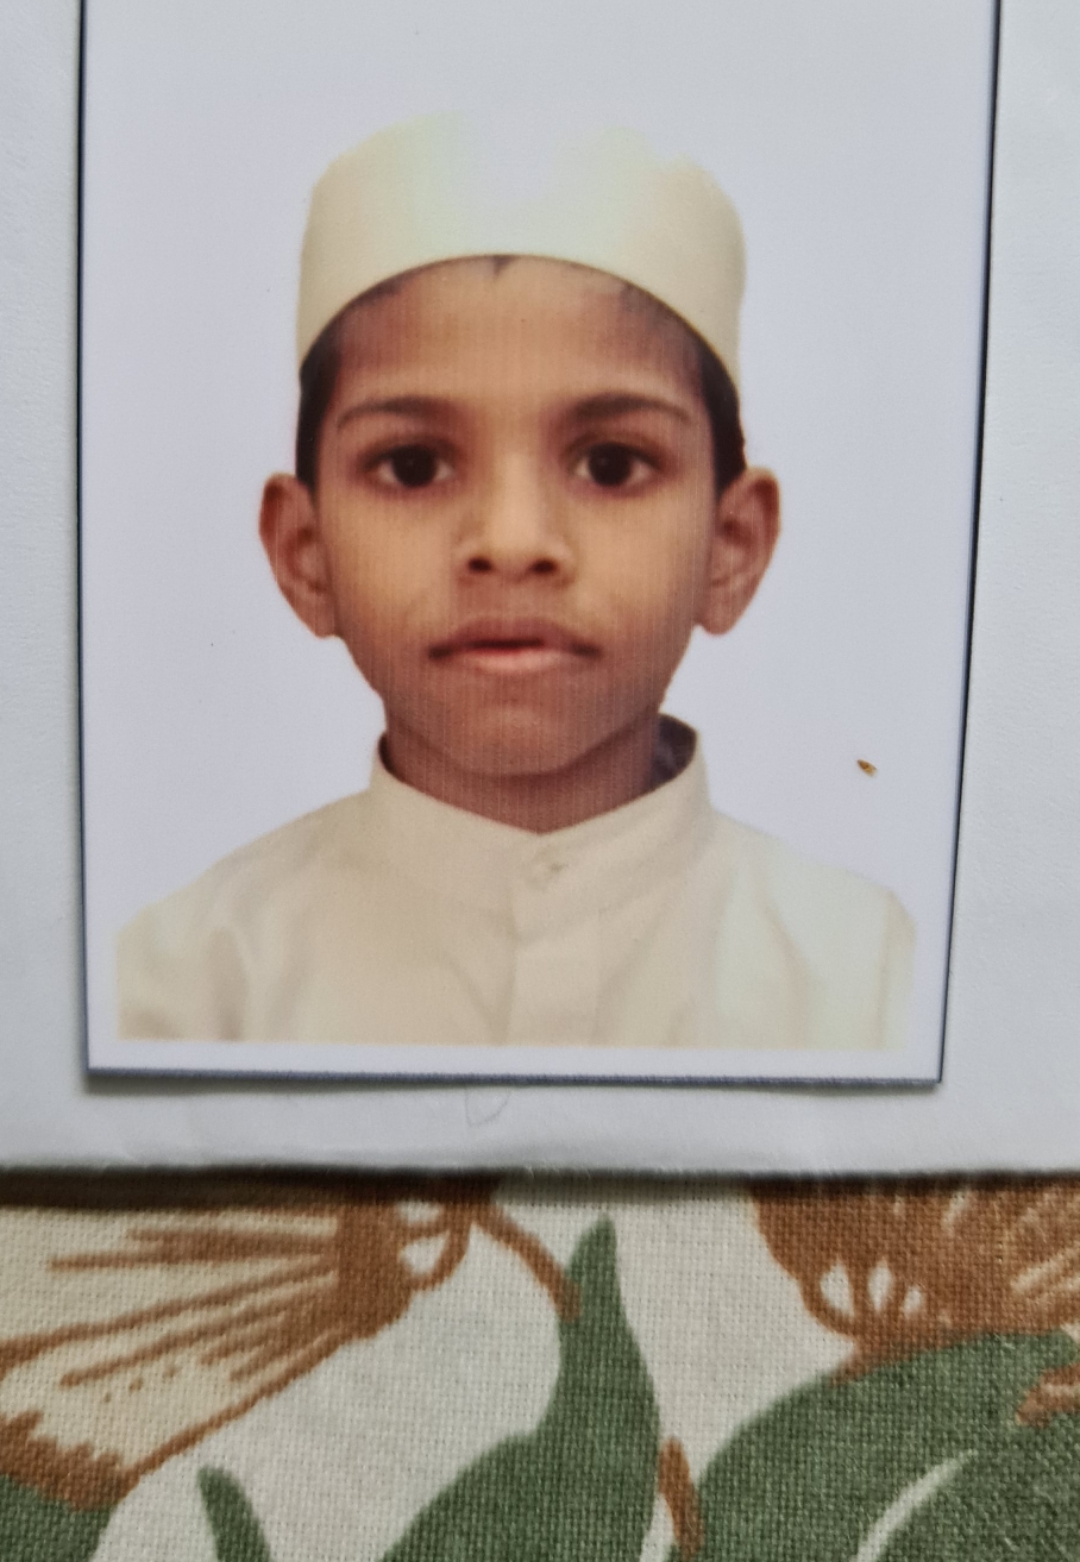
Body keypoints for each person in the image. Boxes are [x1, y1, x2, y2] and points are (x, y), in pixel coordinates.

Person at [117, 116, 913, 1050]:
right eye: (414, 466)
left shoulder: (873, 989)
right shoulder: (179, 992)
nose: (511, 542)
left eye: (610, 464)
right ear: (306, 553)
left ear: (729, 547)